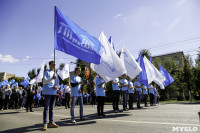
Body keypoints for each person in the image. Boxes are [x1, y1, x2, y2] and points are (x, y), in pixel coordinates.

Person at [42, 61, 59, 131]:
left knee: (51, 108)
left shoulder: (56, 73)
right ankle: (45, 124)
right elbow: (44, 82)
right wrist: (52, 78)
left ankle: (51, 122)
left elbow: (57, 83)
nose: (54, 65)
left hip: (54, 93)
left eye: (55, 64)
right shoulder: (46, 72)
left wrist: (56, 87)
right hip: (47, 92)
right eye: (53, 64)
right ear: (49, 65)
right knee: (46, 108)